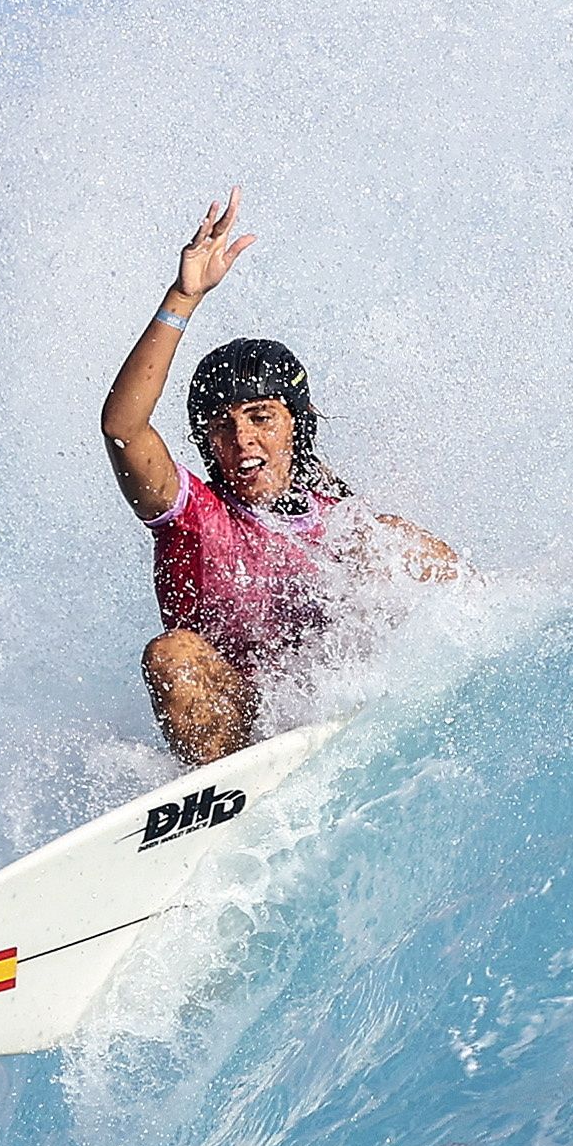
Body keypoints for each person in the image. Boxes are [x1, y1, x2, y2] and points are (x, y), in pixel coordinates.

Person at [98, 189, 459, 763]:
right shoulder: (193, 516)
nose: (242, 439)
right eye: (222, 426)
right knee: (173, 654)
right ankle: (216, 799)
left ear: (296, 425)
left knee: (394, 543)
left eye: (262, 417)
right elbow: (123, 426)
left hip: (337, 705)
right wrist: (182, 298)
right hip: (237, 729)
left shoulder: (340, 523)